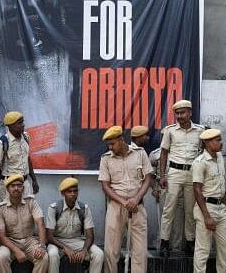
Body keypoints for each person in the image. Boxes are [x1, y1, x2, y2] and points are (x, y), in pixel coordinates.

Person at [99, 126, 154, 273]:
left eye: (113, 144)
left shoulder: (140, 153)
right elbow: (105, 186)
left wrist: (136, 199)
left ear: (121, 140)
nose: (110, 147)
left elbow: (148, 178)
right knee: (111, 250)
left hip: (137, 207)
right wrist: (124, 202)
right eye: (108, 145)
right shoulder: (106, 158)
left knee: (139, 251)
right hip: (116, 207)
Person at [158, 100, 204, 256]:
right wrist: (162, 175)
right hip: (174, 173)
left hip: (192, 174)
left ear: (190, 113)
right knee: (169, 209)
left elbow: (204, 154)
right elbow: (164, 153)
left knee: (191, 210)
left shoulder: (200, 131)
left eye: (182, 113)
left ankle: (190, 242)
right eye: (177, 113)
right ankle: (164, 242)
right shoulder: (170, 131)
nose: (179, 116)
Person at [46, 177, 103, 273]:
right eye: (69, 191)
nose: (73, 194)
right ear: (63, 193)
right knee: (52, 254)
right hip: (58, 242)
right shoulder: (54, 208)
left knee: (99, 254)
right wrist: (65, 248)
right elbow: (49, 237)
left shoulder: (84, 208)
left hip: (77, 242)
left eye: (75, 191)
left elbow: (90, 236)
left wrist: (84, 250)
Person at [191, 129, 226, 273]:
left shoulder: (219, 157)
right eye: (217, 140)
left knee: (224, 248)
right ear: (207, 143)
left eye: (220, 139)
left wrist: (223, 194)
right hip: (206, 208)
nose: (221, 142)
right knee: (203, 250)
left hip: (220, 208)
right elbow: (197, 190)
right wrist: (207, 216)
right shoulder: (200, 162)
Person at [0, 174, 49, 273]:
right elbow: (1, 236)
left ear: (23, 188)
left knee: (43, 257)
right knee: (1, 257)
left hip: (30, 240)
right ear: (7, 189)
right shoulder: (0, 208)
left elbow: (40, 224)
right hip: (11, 241)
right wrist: (16, 250)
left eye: (19, 185)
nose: (16, 188)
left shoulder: (31, 202)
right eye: (13, 186)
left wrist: (42, 246)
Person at [0, 111, 40, 208]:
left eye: (22, 122)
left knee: (27, 215)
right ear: (10, 126)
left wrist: (34, 180)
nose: (23, 125)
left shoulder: (26, 137)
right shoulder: (2, 143)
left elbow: (27, 159)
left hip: (25, 184)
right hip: (9, 186)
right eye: (19, 123)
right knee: (9, 217)